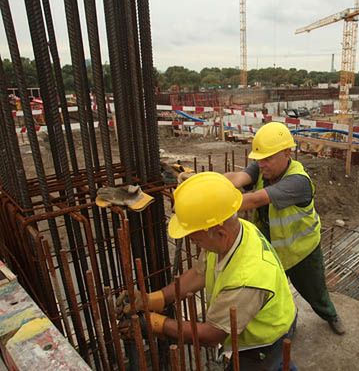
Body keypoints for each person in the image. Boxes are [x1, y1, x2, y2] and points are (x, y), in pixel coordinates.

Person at [118, 172, 297, 370]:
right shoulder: (234, 231)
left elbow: (213, 335)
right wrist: (155, 298)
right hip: (265, 318)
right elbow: (199, 273)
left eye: (195, 237)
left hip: (264, 341)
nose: (191, 240)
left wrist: (156, 324)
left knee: (270, 365)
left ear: (220, 233)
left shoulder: (246, 279)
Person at [224, 122, 345, 335]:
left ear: (287, 153)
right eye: (259, 159)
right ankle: (286, 322)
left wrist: (215, 204)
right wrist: (208, 184)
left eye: (268, 158)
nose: (262, 164)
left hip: (302, 252)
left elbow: (254, 200)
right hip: (271, 250)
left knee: (315, 291)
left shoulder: (298, 182)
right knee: (275, 293)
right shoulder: (262, 167)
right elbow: (236, 179)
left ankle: (330, 315)